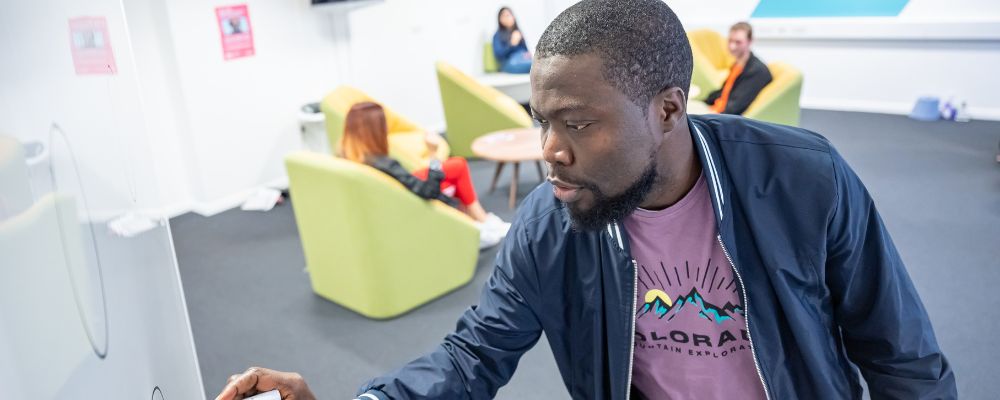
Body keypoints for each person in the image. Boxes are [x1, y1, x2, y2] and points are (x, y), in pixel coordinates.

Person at [216, 1, 957, 399]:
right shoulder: (552, 220)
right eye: (542, 121)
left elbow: (902, 360)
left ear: (668, 112)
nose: (551, 150)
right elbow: (472, 355)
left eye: (577, 124)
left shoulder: (804, 181)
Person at [339, 102, 510, 249]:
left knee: (457, 165)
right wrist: (433, 154)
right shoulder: (386, 164)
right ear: (375, 131)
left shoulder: (347, 155)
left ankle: (479, 219)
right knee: (455, 171)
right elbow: (430, 191)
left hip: (397, 188)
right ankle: (478, 224)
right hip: (410, 199)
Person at [704, 22, 773, 116]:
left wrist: (707, 116)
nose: (732, 46)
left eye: (738, 42)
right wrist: (703, 102)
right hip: (716, 110)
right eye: (730, 41)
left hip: (723, 119)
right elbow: (723, 92)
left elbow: (735, 107)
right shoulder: (738, 65)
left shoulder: (756, 71)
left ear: (750, 41)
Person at [492, 7, 532, 74]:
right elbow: (499, 56)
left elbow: (525, 50)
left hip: (523, 58)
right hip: (509, 62)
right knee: (534, 65)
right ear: (500, 19)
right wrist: (511, 44)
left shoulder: (518, 32)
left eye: (509, 15)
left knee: (537, 62)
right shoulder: (497, 35)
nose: (508, 18)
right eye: (504, 16)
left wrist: (528, 54)